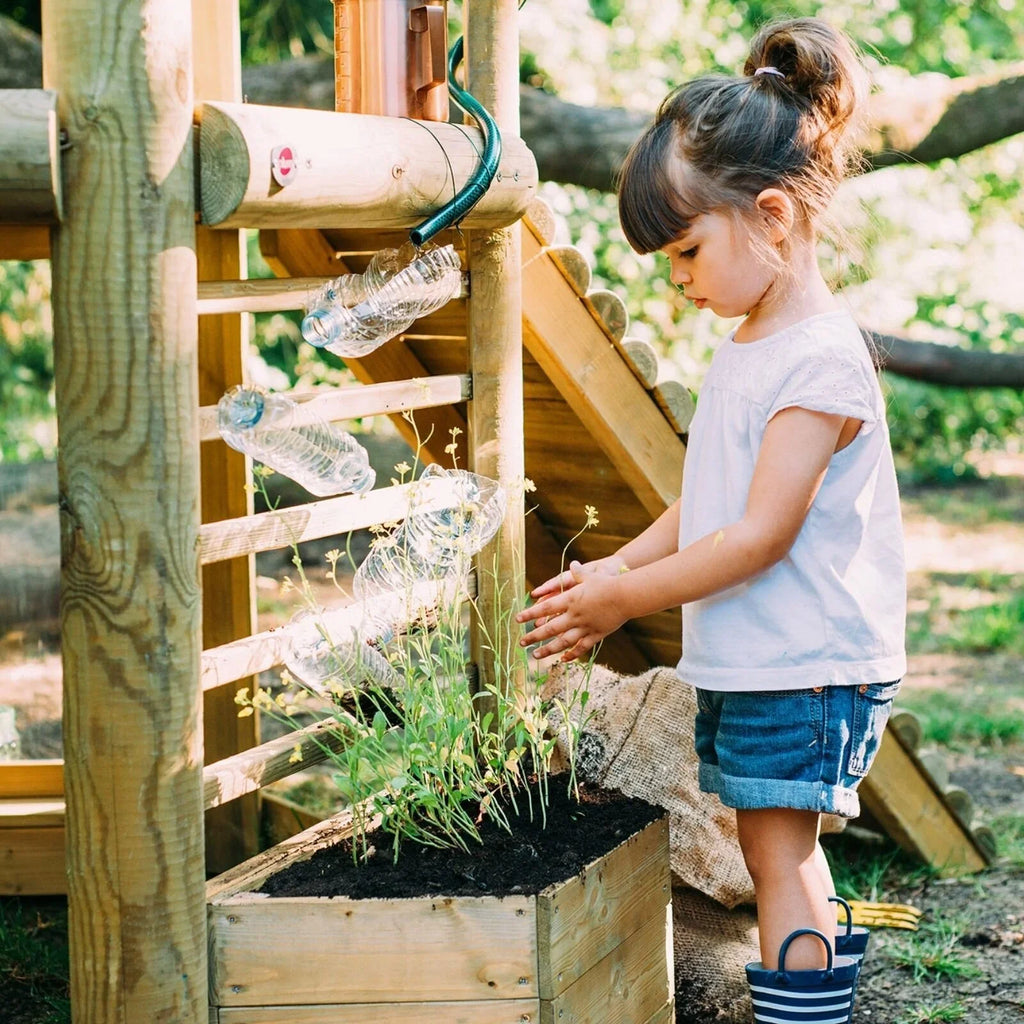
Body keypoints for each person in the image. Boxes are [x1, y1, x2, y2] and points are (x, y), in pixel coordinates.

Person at [517, 15, 906, 1019]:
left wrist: (620, 601)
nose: (678, 279)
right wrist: (613, 570)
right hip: (762, 660)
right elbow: (705, 504)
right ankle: (813, 997)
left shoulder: (817, 358)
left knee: (778, 859)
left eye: (686, 251)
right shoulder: (748, 345)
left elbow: (758, 535)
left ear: (773, 217)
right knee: (774, 852)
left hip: (806, 665)